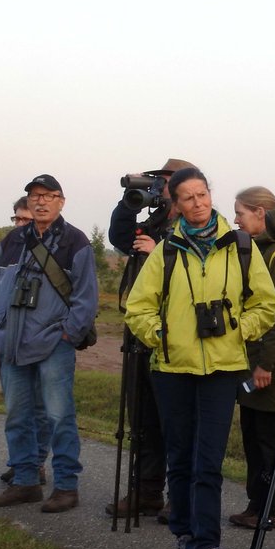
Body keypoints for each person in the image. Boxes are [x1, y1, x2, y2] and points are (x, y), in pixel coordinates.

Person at [125, 167, 275, 549]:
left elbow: (266, 304)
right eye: (188, 197)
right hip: (172, 370)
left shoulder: (241, 245)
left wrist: (237, 332)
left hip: (222, 371)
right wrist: (163, 338)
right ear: (177, 203)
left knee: (207, 464)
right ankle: (186, 547)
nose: (198, 202)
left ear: (211, 195)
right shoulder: (167, 251)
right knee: (182, 461)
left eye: (203, 194)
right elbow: (138, 307)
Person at [0, 174, 98, 512]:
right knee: (17, 416)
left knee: (59, 416)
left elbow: (86, 298)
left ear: (61, 201)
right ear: (28, 202)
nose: (41, 201)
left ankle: (66, 486)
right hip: (12, 344)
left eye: (49, 195)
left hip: (53, 345)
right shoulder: (12, 241)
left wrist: (67, 336)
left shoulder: (75, 242)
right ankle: (25, 481)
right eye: (35, 195)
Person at [106, 158, 195, 521]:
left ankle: (181, 496)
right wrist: (130, 199)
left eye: (168, 181)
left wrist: (156, 249)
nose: (162, 187)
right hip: (140, 332)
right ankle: (146, 491)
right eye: (158, 182)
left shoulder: (198, 224)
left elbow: (196, 267)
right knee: (142, 419)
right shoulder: (155, 220)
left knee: (175, 421)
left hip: (174, 335)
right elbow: (117, 237)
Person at [228, 186, 275, 529]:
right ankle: (257, 503)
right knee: (253, 434)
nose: (236, 220)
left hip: (273, 362)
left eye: (241, 213)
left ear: (261, 213)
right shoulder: (259, 250)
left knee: (272, 438)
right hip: (254, 358)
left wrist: (266, 365)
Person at [0, 197, 50, 487]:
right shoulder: (7, 246)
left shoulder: (57, 246)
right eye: (16, 219)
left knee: (41, 409)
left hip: (42, 342)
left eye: (25, 220)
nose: (19, 224)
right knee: (16, 410)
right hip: (10, 340)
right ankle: (21, 463)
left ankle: (37, 463)